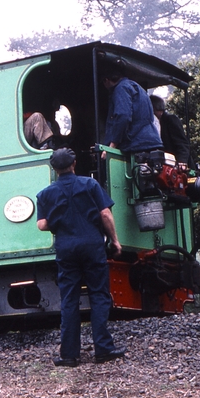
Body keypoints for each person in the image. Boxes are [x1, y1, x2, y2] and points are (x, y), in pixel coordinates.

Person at [36, 148, 126, 367]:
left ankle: (69, 355)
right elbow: (105, 214)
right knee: (98, 295)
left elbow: (42, 225)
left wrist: (58, 219)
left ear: (54, 168)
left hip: (66, 248)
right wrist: (115, 240)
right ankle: (103, 349)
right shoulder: (90, 185)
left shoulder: (45, 194)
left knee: (69, 299)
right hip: (92, 245)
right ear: (74, 164)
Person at [100, 67, 163, 159]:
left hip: (135, 145)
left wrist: (112, 146)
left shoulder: (120, 89)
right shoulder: (138, 88)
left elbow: (123, 116)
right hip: (151, 142)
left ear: (106, 80)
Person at [150, 95, 195, 169]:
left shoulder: (170, 120)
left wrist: (182, 161)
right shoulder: (154, 123)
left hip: (177, 165)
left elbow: (182, 143)